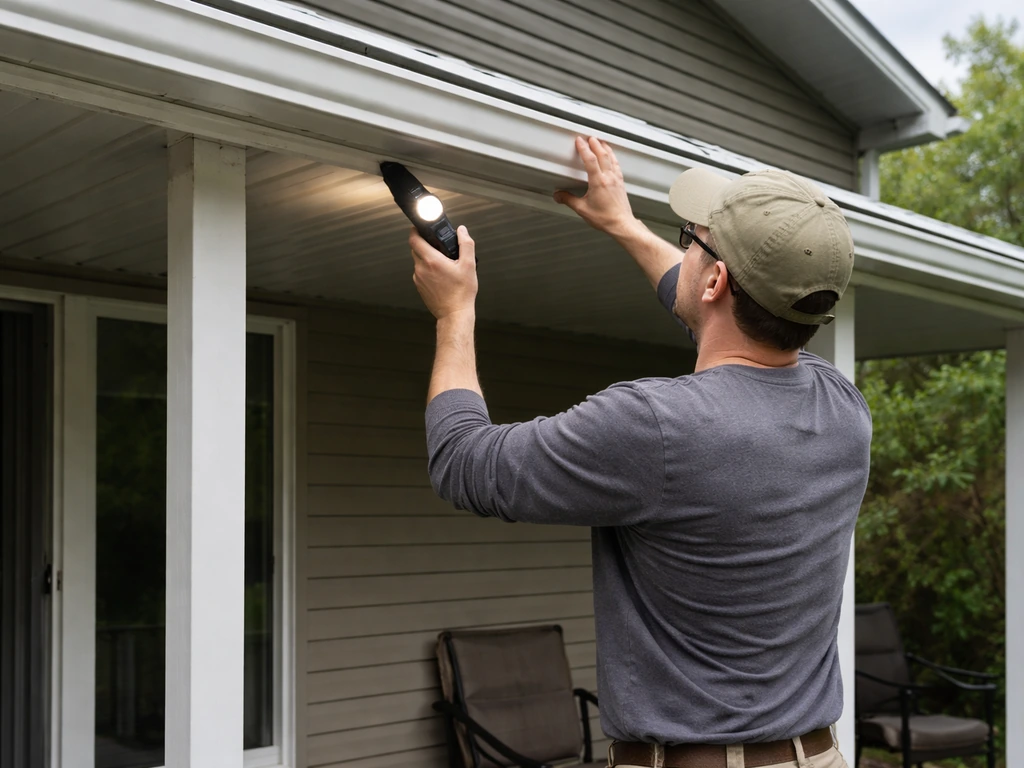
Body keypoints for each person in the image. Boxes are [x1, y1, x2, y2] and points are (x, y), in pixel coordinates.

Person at [408, 136, 871, 768]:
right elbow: (722, 321)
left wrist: (452, 312)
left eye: (692, 239)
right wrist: (623, 225)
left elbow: (463, 462)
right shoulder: (843, 407)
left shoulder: (652, 426)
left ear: (715, 280)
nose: (684, 248)